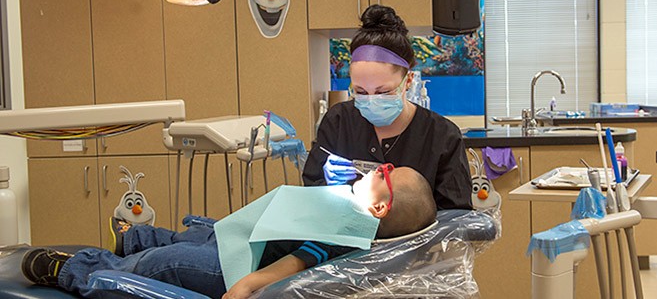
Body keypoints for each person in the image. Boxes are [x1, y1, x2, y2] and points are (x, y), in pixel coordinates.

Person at [21, 166, 437, 299]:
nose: (376, 168)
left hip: (237, 268)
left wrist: (248, 284)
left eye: (382, 173)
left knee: (165, 264)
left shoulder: (346, 230)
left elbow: (299, 260)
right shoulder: (348, 207)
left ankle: (79, 268)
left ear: (380, 207)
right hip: (242, 241)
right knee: (200, 233)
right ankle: (135, 237)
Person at [303, 4, 472, 211]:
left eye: (383, 92)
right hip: (345, 241)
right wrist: (327, 186)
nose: (371, 100)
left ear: (408, 80)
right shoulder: (339, 122)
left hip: (421, 244)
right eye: (361, 92)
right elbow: (310, 194)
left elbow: (456, 218)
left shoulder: (442, 136)